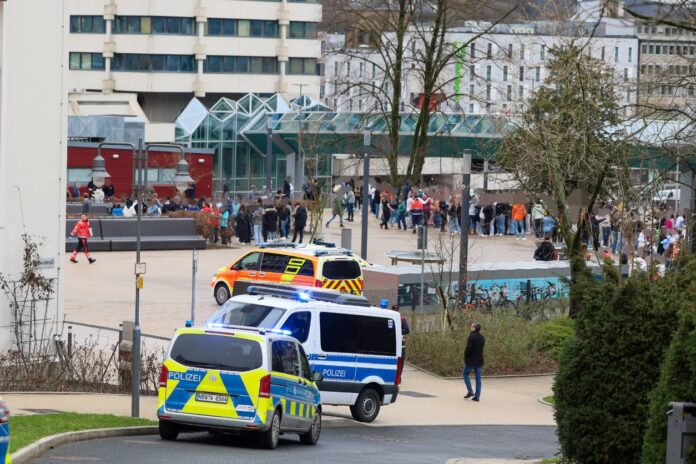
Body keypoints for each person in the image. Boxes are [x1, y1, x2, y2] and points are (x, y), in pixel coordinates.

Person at [463, 322, 485, 402]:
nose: (470, 327)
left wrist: (465, 356)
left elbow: (469, 348)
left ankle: (470, 390)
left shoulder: (471, 337)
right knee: (478, 378)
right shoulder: (482, 337)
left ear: (474, 328)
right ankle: (477, 396)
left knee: (465, 374)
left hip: (470, 361)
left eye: (471, 326)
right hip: (479, 360)